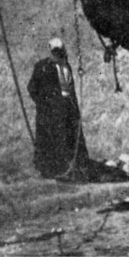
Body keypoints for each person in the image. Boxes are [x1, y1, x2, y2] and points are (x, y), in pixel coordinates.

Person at [27, 38, 90, 179]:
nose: (57, 54)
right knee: (53, 140)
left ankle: (72, 169)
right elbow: (32, 88)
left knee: (70, 137)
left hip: (68, 106)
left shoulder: (66, 65)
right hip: (51, 110)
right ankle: (52, 171)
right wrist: (43, 104)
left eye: (60, 51)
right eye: (55, 51)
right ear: (50, 51)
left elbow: (70, 88)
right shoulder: (42, 66)